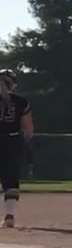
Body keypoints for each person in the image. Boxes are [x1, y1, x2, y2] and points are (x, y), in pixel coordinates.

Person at [1, 69, 35, 230]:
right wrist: (28, 141)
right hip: (12, 141)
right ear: (13, 84)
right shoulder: (21, 101)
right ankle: (9, 217)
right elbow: (28, 127)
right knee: (11, 180)